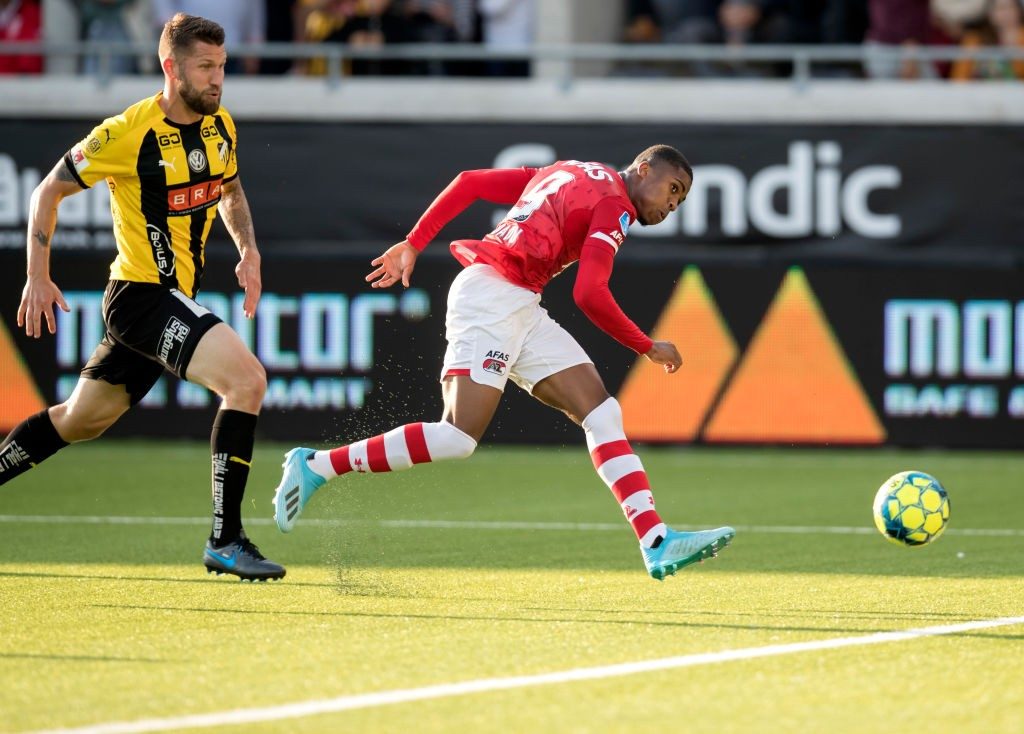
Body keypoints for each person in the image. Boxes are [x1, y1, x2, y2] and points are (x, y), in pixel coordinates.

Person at [272, 146, 735, 581]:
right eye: (673, 189)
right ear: (644, 169)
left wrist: (414, 242)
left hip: (518, 302)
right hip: (493, 297)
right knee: (456, 436)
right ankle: (317, 465)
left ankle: (654, 538)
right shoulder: (616, 207)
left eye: (682, 199)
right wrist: (645, 345)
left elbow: (470, 181)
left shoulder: (569, 170)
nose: (673, 204)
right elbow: (589, 293)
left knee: (601, 412)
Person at [0, 13, 284, 582]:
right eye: (204, 67)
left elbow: (229, 187)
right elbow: (47, 191)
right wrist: (38, 274)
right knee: (247, 382)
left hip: (169, 299)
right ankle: (225, 540)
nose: (216, 79)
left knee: (80, 421)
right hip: (142, 295)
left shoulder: (219, 126)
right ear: (170, 67)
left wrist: (247, 249)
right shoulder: (127, 131)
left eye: (221, 67)